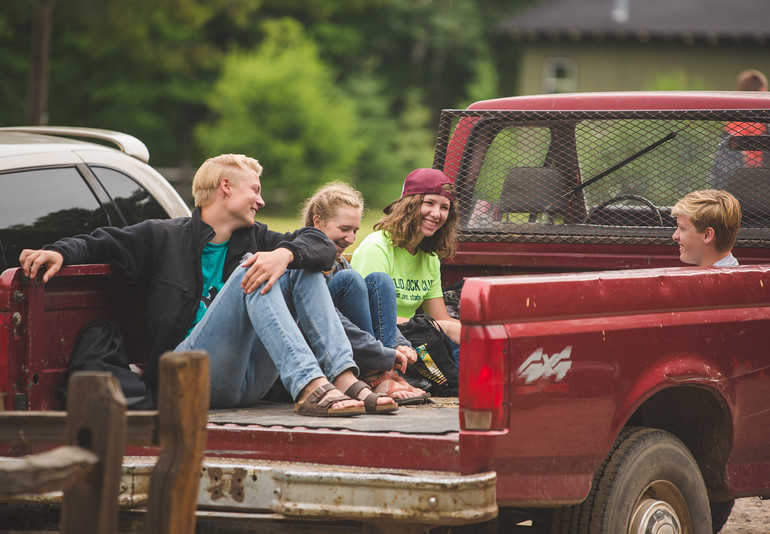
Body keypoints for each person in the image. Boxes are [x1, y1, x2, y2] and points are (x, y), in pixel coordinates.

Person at [19, 154, 397, 416]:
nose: (262, 201)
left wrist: (284, 256)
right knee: (252, 271)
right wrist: (60, 253)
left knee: (299, 265)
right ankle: (311, 385)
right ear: (226, 188)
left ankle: (342, 377)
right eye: (255, 190)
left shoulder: (256, 238)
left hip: (246, 382)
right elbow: (101, 241)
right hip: (185, 378)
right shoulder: (163, 237)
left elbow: (317, 244)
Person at [300, 182, 430, 405]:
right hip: (324, 349)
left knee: (380, 281)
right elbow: (332, 320)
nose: (351, 239)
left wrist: (401, 344)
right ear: (317, 222)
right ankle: (376, 374)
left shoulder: (338, 262)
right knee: (349, 280)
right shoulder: (304, 268)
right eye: (344, 229)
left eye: (354, 231)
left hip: (364, 352)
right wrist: (381, 354)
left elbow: (375, 315)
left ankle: (385, 375)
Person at [350, 168, 461, 345]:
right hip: (380, 341)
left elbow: (440, 317)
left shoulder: (429, 257)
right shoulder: (376, 249)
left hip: (415, 337)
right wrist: (441, 327)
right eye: (430, 203)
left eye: (444, 207)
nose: (437, 213)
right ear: (410, 205)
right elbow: (368, 318)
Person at [710, 69, 770, 189]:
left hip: (743, 189)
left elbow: (721, 172)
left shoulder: (734, 124)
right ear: (763, 90)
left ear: (740, 92)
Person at [671, 189, 742, 267]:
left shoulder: (719, 278)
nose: (675, 236)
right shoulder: (730, 274)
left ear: (707, 235)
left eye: (682, 229)